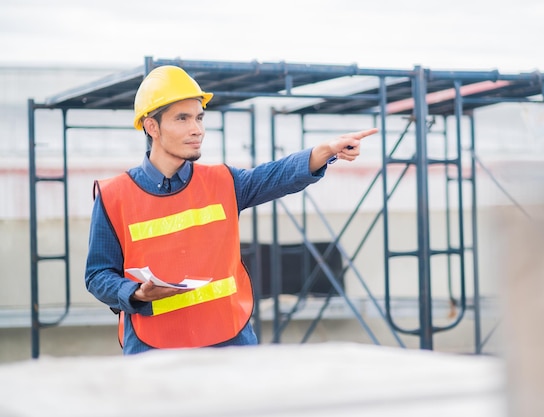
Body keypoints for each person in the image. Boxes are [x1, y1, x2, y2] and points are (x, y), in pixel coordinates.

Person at [84, 65, 378, 355]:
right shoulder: (114, 196)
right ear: (152, 127)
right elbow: (98, 275)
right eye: (182, 118)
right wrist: (134, 293)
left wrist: (325, 151)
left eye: (199, 117)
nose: (196, 129)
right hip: (153, 347)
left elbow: (275, 175)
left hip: (228, 342)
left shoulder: (224, 182)